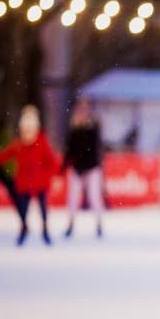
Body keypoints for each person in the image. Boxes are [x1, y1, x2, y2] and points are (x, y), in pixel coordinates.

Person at [0, 105, 58, 246]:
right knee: (23, 208)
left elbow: (52, 162)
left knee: (43, 209)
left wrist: (49, 176)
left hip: (40, 182)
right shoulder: (18, 144)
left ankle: (44, 229)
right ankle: (24, 228)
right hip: (24, 182)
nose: (27, 134)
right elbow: (5, 154)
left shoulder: (42, 142)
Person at [62, 100, 104, 239]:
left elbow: (92, 150)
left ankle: (99, 224)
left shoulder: (93, 129)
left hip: (91, 168)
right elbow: (70, 150)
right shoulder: (74, 130)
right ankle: (71, 224)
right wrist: (63, 167)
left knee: (94, 197)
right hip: (77, 169)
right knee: (73, 198)